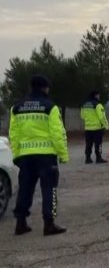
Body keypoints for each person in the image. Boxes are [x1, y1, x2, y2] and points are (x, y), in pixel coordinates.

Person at [9, 75, 69, 236]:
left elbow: (13, 134)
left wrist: (16, 155)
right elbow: (57, 133)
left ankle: (20, 223)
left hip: (25, 156)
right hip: (46, 155)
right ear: (45, 88)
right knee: (49, 189)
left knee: (25, 189)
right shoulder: (50, 107)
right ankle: (49, 224)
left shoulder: (16, 108)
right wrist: (63, 154)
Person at [80, 90, 109, 164]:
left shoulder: (84, 105)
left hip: (88, 129)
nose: (99, 97)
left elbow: (82, 116)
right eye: (98, 95)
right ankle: (98, 158)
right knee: (98, 144)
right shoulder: (98, 105)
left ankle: (88, 158)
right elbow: (102, 117)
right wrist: (106, 126)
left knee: (88, 144)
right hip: (97, 128)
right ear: (95, 96)